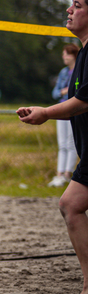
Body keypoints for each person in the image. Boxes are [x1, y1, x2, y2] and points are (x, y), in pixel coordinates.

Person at [18, 0, 88, 294]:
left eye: (76, 6)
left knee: (70, 204)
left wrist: (45, 113)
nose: (69, 11)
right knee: (71, 205)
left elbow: (83, 102)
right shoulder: (84, 54)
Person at [48, 43, 79, 187]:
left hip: (75, 111)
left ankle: (67, 174)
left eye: (66, 53)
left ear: (74, 55)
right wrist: (65, 91)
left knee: (71, 144)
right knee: (62, 144)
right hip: (61, 109)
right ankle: (59, 175)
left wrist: (67, 91)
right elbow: (55, 93)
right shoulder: (63, 73)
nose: (64, 56)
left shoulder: (80, 71)